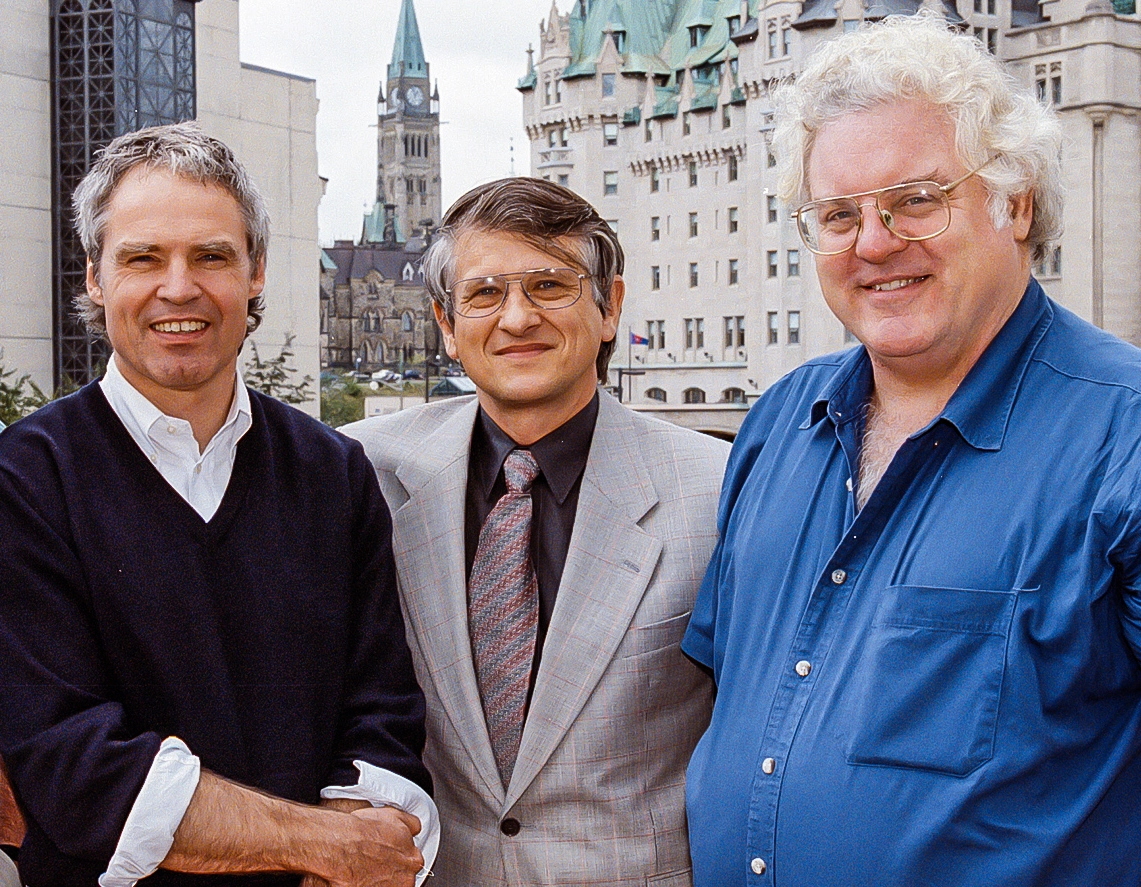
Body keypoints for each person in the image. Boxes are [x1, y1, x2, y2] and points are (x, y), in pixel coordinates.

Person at [682, 13, 1141, 887]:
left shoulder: (1121, 436)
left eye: (915, 201)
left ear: (1014, 201)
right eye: (838, 214)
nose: (873, 243)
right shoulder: (780, 419)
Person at [0, 122, 437, 887]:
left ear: (255, 270)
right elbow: (73, 767)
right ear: (96, 277)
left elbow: (383, 719)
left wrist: (357, 836)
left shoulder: (333, 472)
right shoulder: (25, 481)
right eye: (142, 257)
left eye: (211, 256)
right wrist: (325, 844)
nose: (179, 287)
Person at [345, 177, 728, 886]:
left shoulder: (719, 488)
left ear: (609, 306)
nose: (517, 318)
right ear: (447, 326)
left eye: (549, 285)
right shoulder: (359, 472)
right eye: (485, 294)